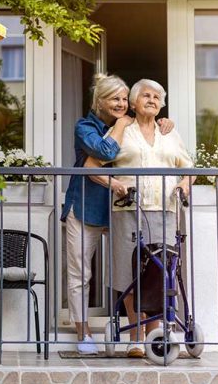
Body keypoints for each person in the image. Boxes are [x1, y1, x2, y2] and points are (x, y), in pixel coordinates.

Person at [61, 74, 174, 355]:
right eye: (115, 99)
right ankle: (83, 332)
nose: (121, 104)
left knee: (132, 270)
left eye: (124, 99)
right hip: (86, 207)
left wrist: (163, 124)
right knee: (81, 274)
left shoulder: (131, 128)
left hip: (121, 212)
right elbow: (103, 151)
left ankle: (139, 334)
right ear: (99, 101)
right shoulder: (86, 126)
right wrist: (123, 123)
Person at [85, 78, 194, 357]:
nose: (152, 100)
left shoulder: (169, 132)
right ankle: (135, 337)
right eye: (146, 95)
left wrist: (184, 184)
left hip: (165, 210)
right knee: (130, 273)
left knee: (159, 273)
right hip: (129, 210)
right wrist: (116, 185)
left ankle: (154, 335)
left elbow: (188, 166)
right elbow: (91, 166)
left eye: (157, 97)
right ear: (133, 102)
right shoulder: (120, 130)